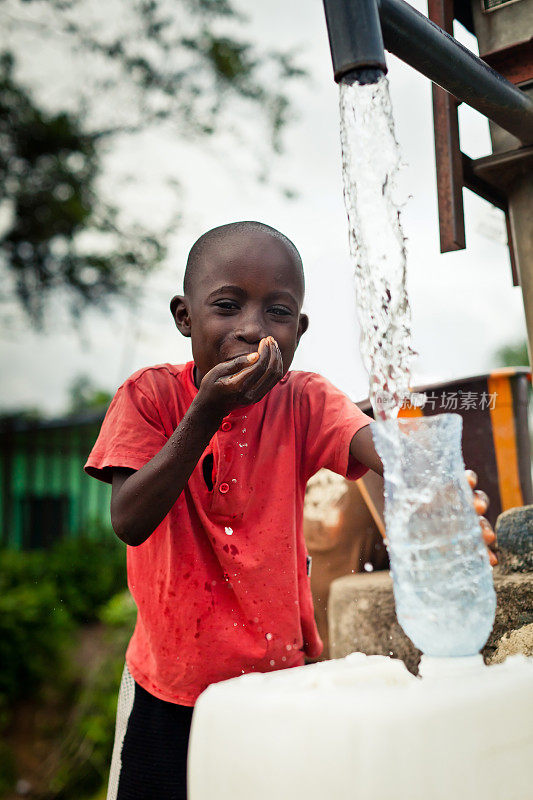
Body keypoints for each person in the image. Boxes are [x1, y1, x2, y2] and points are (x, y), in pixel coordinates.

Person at [85, 220, 496, 800]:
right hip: (169, 694)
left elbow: (380, 447)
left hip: (278, 688)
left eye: (278, 313)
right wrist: (205, 413)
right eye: (227, 306)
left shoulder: (302, 400)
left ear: (299, 329)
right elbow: (129, 519)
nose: (252, 330)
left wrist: (440, 488)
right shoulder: (149, 397)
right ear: (184, 317)